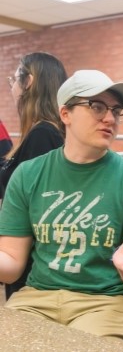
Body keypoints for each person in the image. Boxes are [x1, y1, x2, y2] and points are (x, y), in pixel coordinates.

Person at [0, 69, 123, 349]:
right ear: (65, 114)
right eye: (97, 106)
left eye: (117, 111)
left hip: (109, 302)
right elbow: (11, 265)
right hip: (37, 299)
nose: (109, 118)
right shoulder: (28, 175)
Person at [1, 52, 67, 300]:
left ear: (28, 81)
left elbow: (34, 203)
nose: (12, 88)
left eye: (14, 80)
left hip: (29, 262)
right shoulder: (42, 131)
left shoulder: (43, 134)